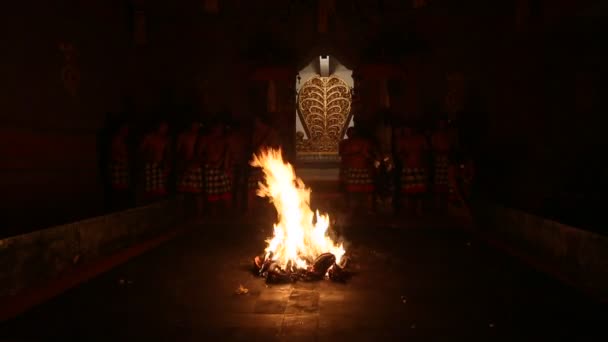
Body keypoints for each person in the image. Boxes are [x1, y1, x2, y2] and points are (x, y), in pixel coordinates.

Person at [339, 126, 375, 214]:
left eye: (352, 132)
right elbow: (342, 155)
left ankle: (368, 208)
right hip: (352, 170)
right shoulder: (345, 143)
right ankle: (351, 208)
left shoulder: (364, 143)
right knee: (351, 191)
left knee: (366, 191)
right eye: (349, 132)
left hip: (362, 170)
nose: (350, 134)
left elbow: (368, 155)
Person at [248, 115, 279, 213]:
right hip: (257, 165)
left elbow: (276, 148)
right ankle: (251, 212)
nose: (255, 124)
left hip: (268, 166)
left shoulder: (271, 133)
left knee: (269, 189)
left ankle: (269, 212)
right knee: (252, 189)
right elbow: (254, 147)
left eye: (257, 122)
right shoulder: (255, 133)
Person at [199, 121, 232, 215]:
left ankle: (227, 215)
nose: (219, 130)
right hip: (210, 169)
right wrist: (208, 162)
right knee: (212, 196)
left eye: (221, 129)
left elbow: (227, 153)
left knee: (226, 195)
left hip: (222, 169)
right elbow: (200, 154)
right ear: (213, 129)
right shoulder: (207, 140)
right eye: (217, 128)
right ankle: (214, 215)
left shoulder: (224, 140)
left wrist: (225, 165)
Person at [397, 125, 429, 216]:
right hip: (407, 168)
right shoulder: (402, 140)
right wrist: (404, 158)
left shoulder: (420, 138)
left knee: (420, 190)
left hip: (419, 167)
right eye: (406, 128)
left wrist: (424, 164)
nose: (408, 130)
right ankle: (408, 210)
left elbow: (426, 152)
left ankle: (419, 210)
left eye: (409, 128)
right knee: (407, 190)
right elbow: (399, 153)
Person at [176, 121, 204, 220]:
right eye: (194, 123)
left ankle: (199, 215)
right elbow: (178, 151)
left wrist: (197, 162)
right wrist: (183, 164)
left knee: (198, 192)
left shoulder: (201, 137)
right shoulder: (183, 136)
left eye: (197, 124)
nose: (196, 126)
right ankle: (180, 214)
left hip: (197, 167)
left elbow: (202, 153)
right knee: (182, 191)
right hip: (185, 166)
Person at [140, 121, 171, 199]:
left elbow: (168, 154)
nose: (164, 129)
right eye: (163, 127)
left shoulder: (165, 140)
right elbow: (141, 150)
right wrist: (148, 156)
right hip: (149, 165)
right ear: (158, 127)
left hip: (160, 165)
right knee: (149, 189)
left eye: (166, 128)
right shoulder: (149, 137)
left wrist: (167, 166)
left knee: (160, 190)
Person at [108, 122, 131, 209]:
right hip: (118, 169)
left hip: (122, 169)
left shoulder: (123, 141)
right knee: (118, 192)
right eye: (125, 129)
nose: (127, 131)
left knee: (123, 191)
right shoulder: (116, 140)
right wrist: (122, 160)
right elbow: (113, 155)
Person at [431, 118, 451, 211]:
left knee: (446, 182)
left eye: (443, 123)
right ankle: (438, 205)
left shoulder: (449, 135)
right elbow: (433, 147)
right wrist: (438, 153)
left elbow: (451, 146)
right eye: (440, 123)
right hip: (439, 160)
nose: (441, 125)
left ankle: (445, 205)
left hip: (447, 160)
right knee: (438, 183)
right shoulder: (435, 135)